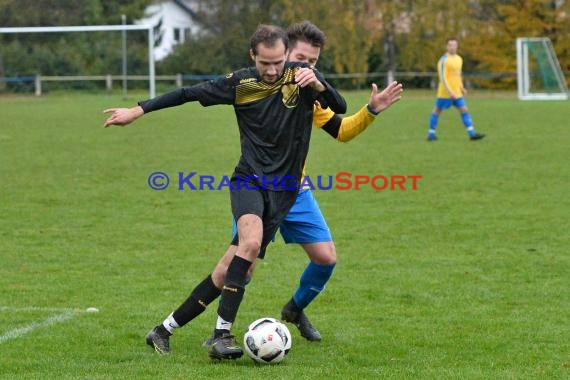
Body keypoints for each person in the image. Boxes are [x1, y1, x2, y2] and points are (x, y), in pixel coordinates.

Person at [137, 21, 403, 356]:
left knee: (325, 258)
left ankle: (293, 309)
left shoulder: (306, 86)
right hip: (256, 185)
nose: (307, 66)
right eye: (302, 58)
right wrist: (140, 108)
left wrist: (372, 109)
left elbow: (341, 127)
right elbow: (194, 93)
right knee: (238, 264)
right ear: (282, 52)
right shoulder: (254, 82)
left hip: (296, 192)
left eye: (314, 62)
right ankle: (204, 332)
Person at [103, 24, 347, 360]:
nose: (273, 70)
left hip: (286, 192)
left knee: (230, 268)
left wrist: (319, 84)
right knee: (248, 245)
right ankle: (221, 335)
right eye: (265, 63)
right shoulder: (240, 83)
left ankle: (162, 330)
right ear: (253, 56)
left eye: (278, 63)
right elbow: (187, 93)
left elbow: (340, 107)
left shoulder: (302, 78)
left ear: (286, 55)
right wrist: (137, 110)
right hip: (249, 180)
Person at [427, 37, 485, 141]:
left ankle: (472, 134)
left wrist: (462, 87)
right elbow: (443, 78)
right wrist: (449, 92)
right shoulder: (443, 60)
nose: (452, 47)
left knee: (464, 109)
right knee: (437, 111)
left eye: (454, 45)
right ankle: (431, 133)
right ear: (447, 46)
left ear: (457, 46)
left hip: (457, 92)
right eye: (450, 45)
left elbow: (458, 75)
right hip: (445, 93)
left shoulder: (459, 59)